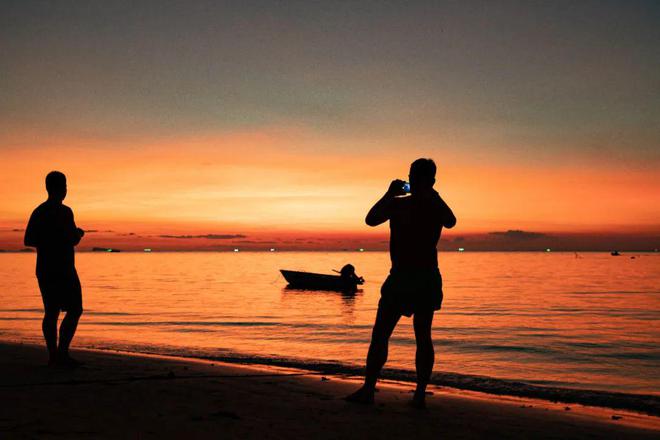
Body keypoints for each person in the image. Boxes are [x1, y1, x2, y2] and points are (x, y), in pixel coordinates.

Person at [346, 158, 456, 408]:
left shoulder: (426, 205)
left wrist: (424, 194)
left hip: (418, 277)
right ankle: (379, 390)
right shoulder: (402, 204)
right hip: (408, 277)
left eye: (416, 178)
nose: (413, 182)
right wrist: (390, 194)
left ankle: (407, 393)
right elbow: (371, 219)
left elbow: (451, 221)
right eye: (412, 178)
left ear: (428, 181)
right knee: (391, 335)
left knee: (411, 335)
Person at [24, 171, 85, 367]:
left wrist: (59, 237)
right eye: (64, 186)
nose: (66, 190)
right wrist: (76, 234)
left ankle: (56, 356)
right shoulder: (63, 212)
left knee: (52, 312)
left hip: (47, 269)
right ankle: (60, 354)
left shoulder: (39, 211)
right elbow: (71, 239)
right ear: (60, 188)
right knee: (73, 309)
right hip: (62, 269)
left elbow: (29, 239)